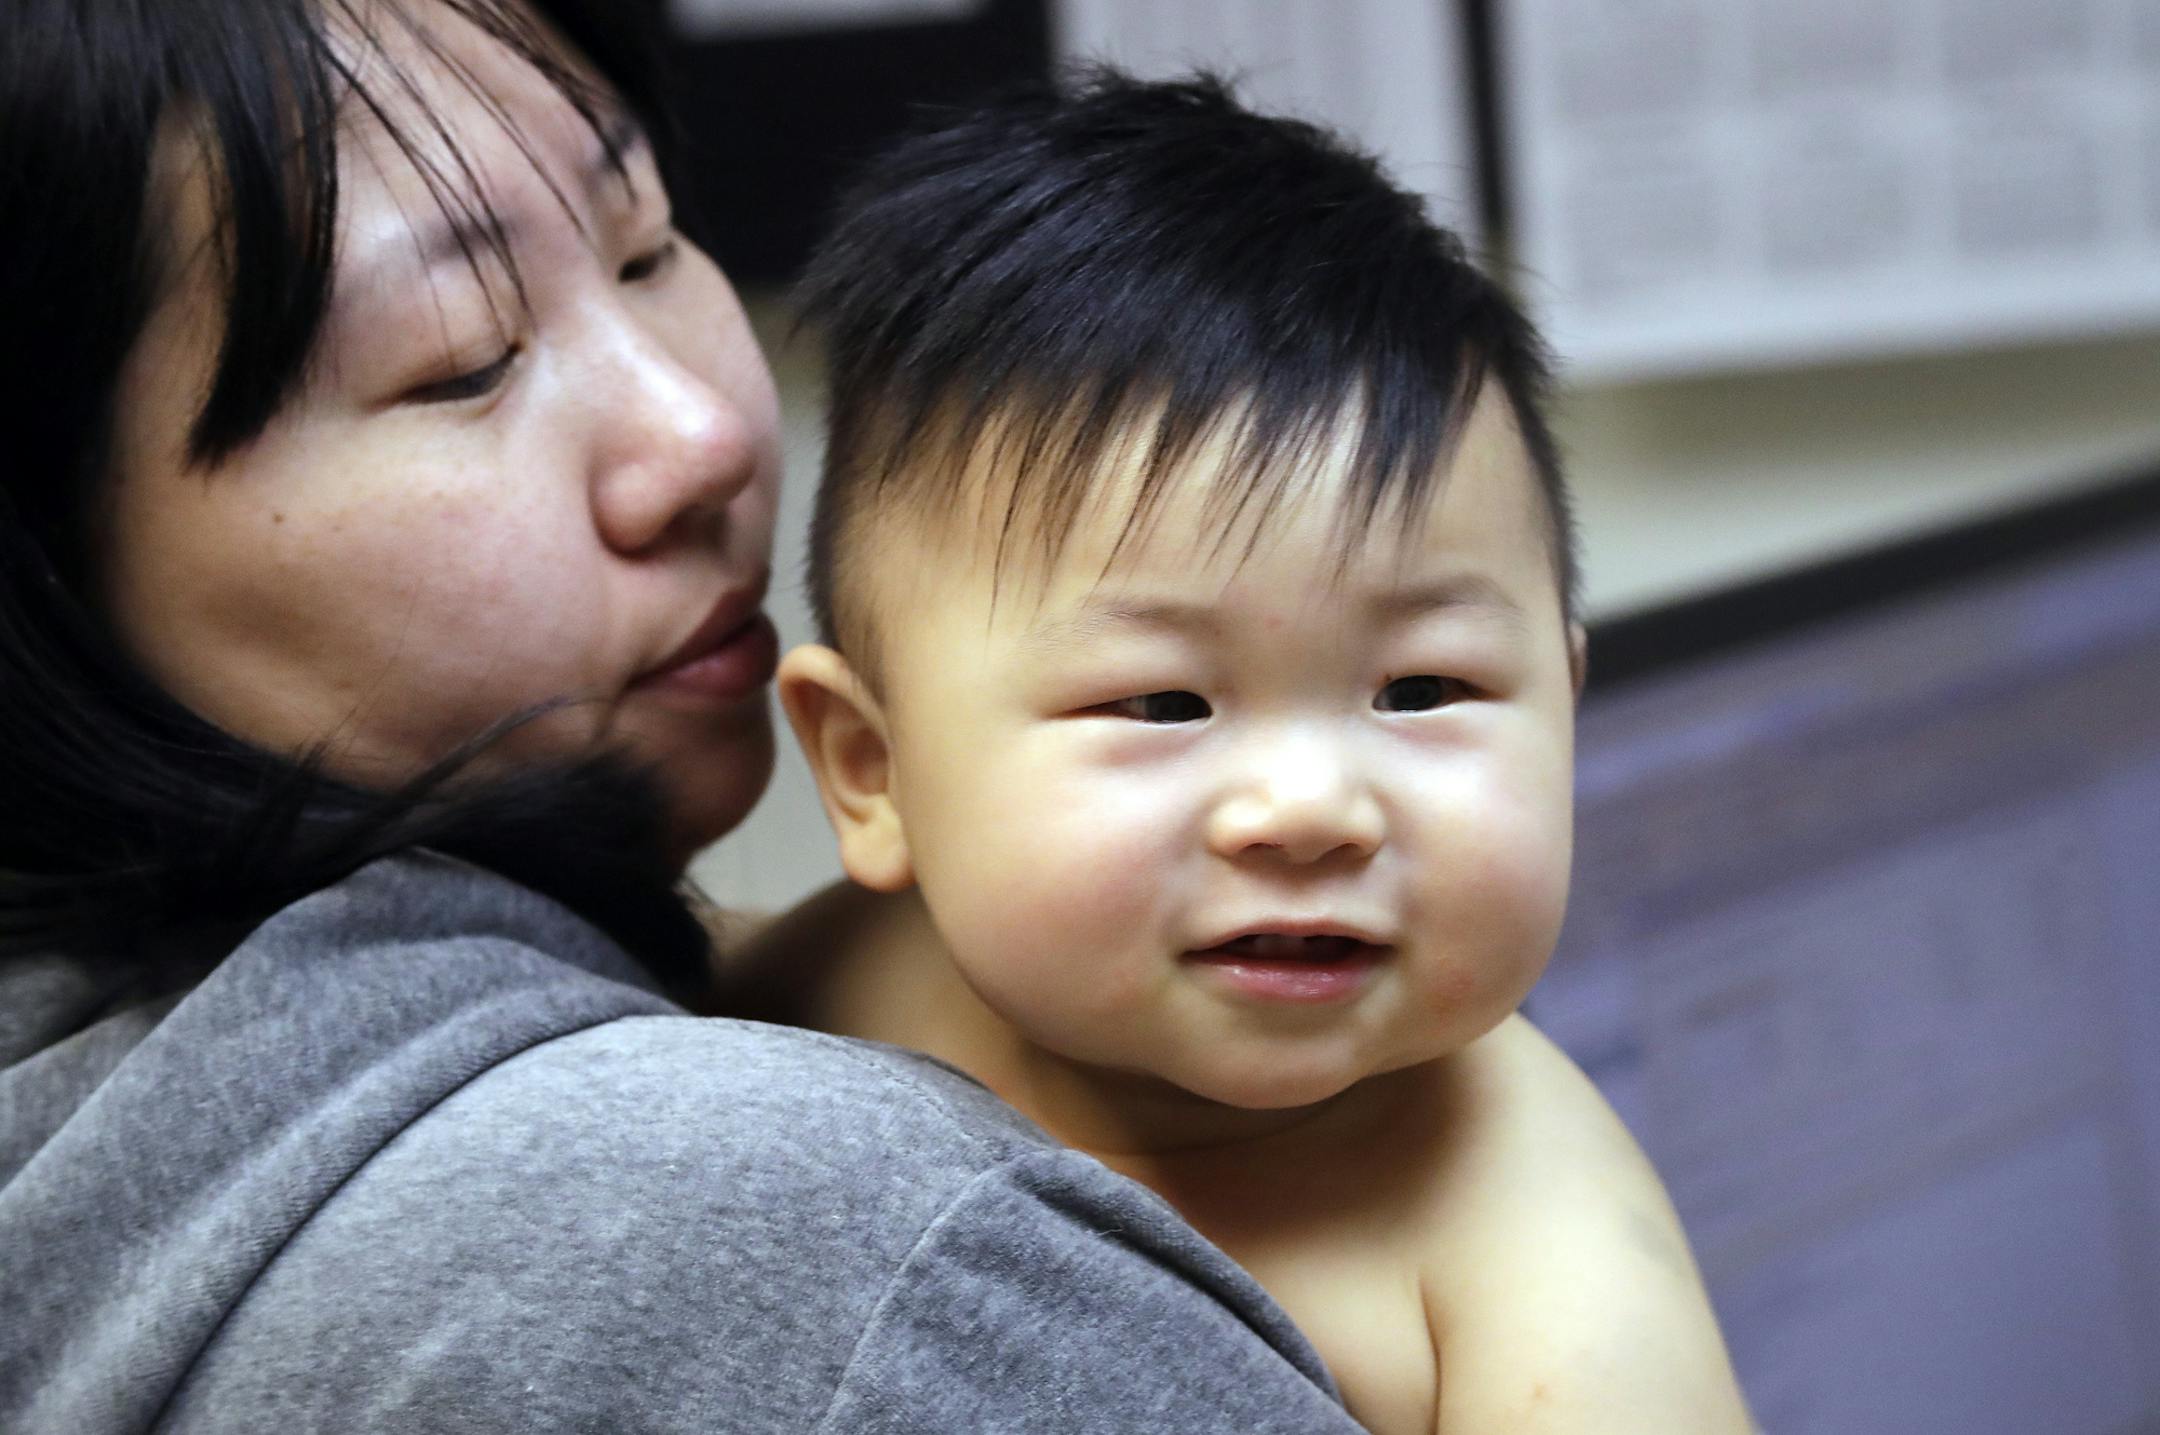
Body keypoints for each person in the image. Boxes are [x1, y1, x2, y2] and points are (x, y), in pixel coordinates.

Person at [0, 7, 1373, 1431]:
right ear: (46, 569)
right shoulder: (834, 1266)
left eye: (646, 244)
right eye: (461, 359)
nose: (703, 437)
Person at [764, 73, 1757, 1434]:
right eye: (1164, 704)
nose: (1308, 809)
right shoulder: (798, 994)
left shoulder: (1531, 1236)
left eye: (1423, 688)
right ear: (873, 773)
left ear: (1564, 712)